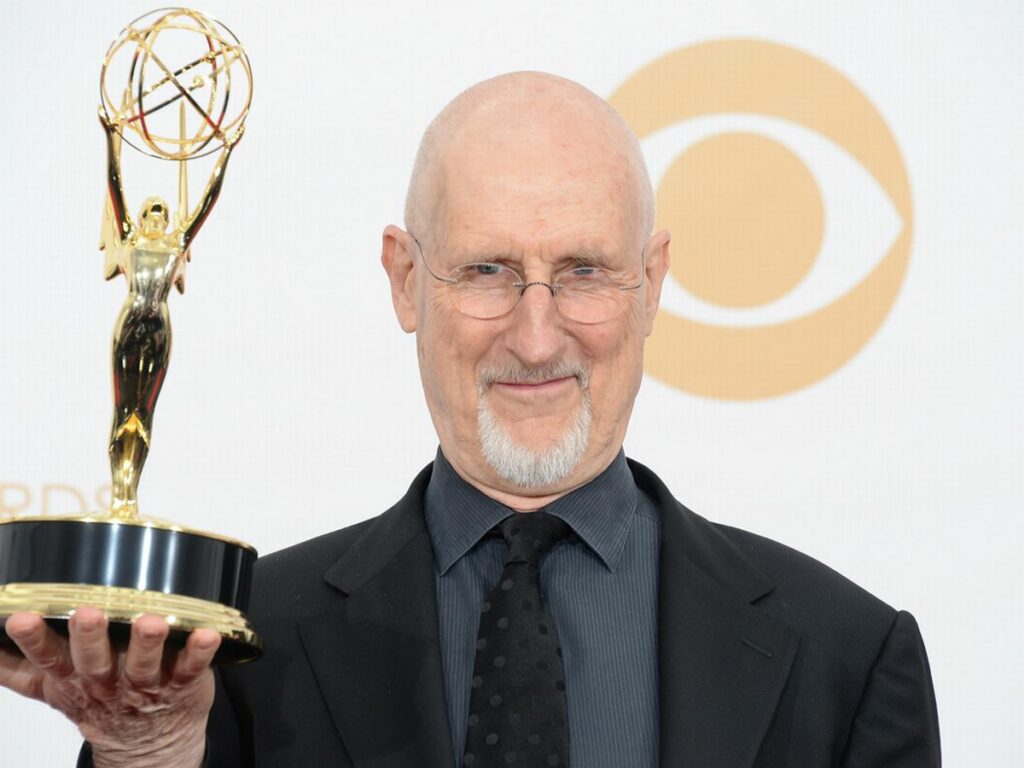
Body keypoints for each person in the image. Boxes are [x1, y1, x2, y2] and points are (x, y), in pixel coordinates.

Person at [0, 72, 940, 767]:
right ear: (407, 281)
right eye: (486, 271)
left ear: (651, 284)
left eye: (583, 271)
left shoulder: (848, 659)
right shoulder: (239, 655)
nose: (537, 338)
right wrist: (150, 752)